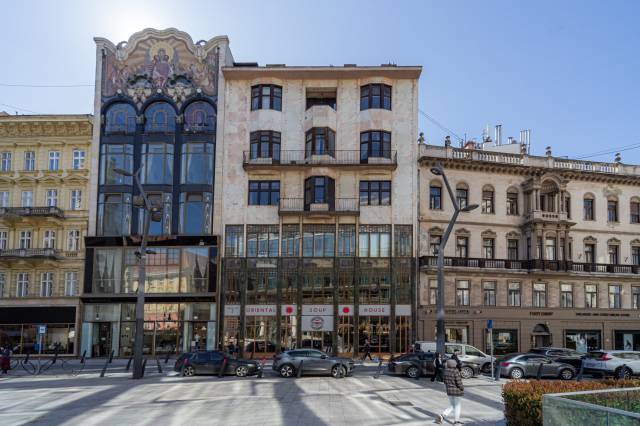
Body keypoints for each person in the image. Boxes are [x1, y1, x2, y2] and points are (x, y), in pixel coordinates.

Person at [436, 359, 465, 425]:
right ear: (454, 364)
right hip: (457, 391)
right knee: (457, 406)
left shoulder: (445, 371)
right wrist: (462, 388)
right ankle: (456, 421)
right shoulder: (456, 371)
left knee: (452, 405)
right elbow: (459, 382)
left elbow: (444, 381)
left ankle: (442, 415)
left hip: (449, 391)